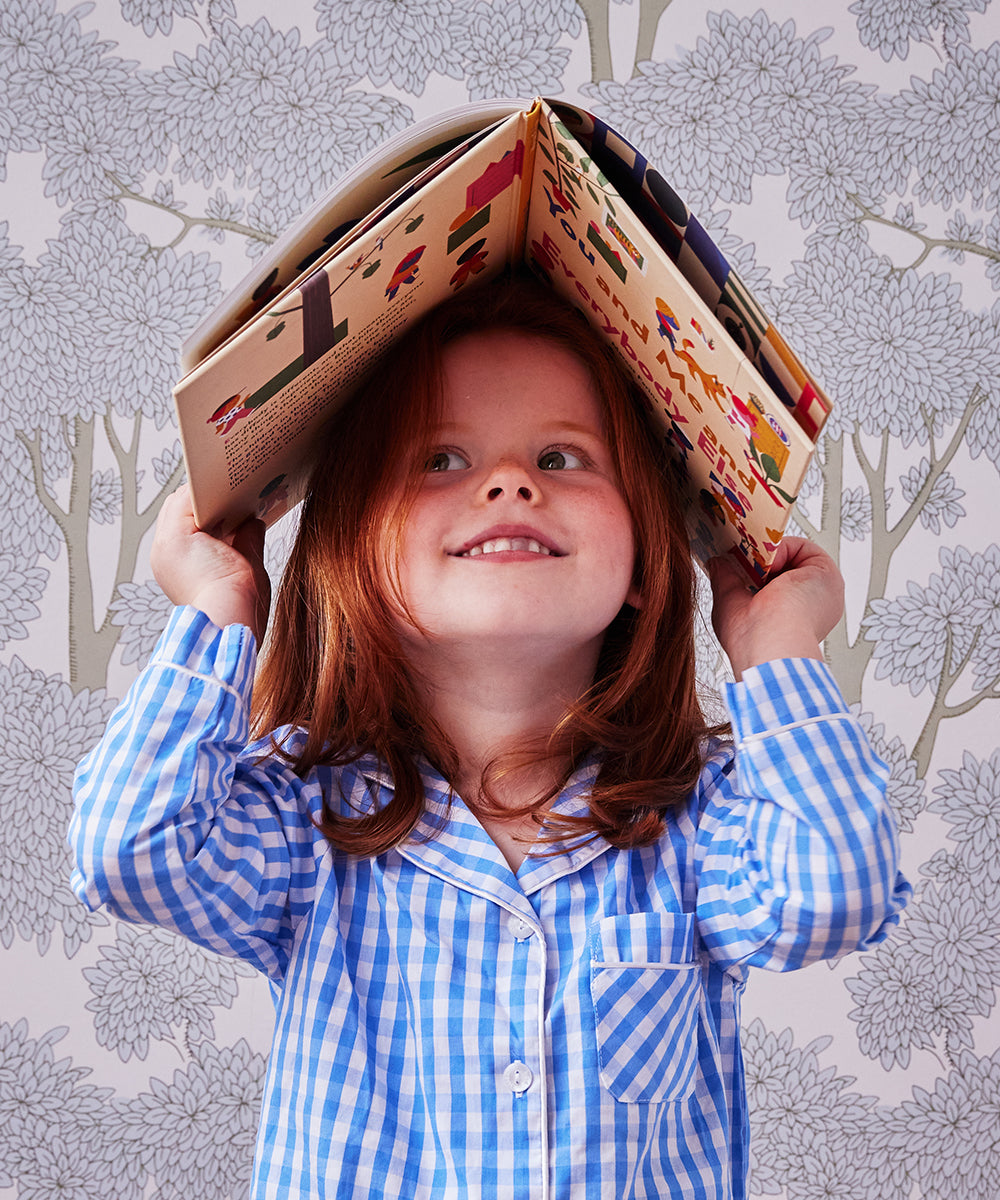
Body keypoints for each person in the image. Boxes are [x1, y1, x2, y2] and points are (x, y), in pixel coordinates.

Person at [71, 274, 909, 1200]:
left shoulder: (698, 823)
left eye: (561, 458)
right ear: (358, 552)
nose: (509, 482)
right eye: (440, 461)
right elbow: (128, 851)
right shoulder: (306, 824)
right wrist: (222, 607)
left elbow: (837, 895)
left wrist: (774, 646)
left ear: (643, 564)